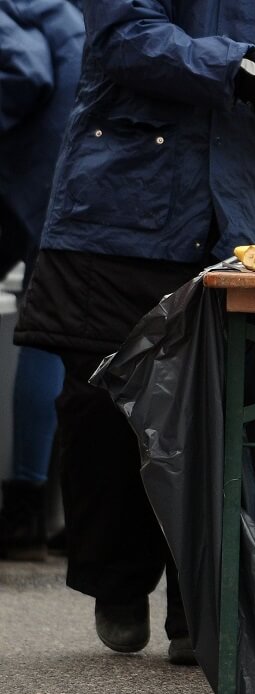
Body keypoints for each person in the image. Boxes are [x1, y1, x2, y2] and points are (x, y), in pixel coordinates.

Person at [15, 1, 255, 665]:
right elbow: (125, 36)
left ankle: (203, 601)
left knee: (240, 415)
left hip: (253, 217)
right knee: (104, 408)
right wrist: (236, 70)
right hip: (127, 206)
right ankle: (118, 579)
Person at [0, 0, 80, 562]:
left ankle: (24, 509)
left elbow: (22, 69)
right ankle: (52, 509)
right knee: (60, 319)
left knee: (42, 317)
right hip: (72, 154)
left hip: (45, 163)